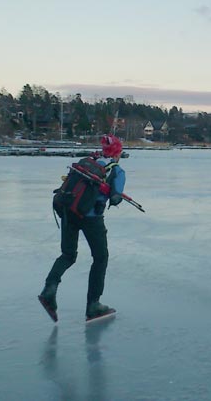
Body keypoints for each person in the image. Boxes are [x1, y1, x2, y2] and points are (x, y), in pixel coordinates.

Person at [39, 134, 126, 322]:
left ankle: (49, 289)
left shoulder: (86, 162)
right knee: (100, 258)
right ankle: (93, 305)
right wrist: (114, 194)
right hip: (91, 217)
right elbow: (116, 197)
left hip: (69, 211)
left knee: (68, 255)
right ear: (117, 154)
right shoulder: (116, 171)